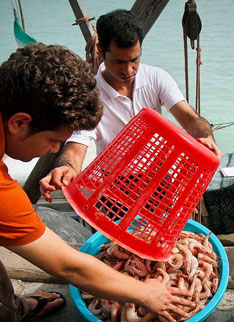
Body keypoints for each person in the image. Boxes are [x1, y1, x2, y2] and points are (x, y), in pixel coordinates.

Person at [0, 44, 194, 322]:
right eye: (54, 140)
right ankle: (9, 318)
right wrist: (146, 294)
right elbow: (67, 267)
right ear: (20, 122)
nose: (53, 149)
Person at [40, 9, 222, 202]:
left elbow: (189, 118)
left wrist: (205, 137)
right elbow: (76, 147)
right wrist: (67, 167)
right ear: (100, 51)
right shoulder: (90, 96)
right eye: (118, 62)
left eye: (134, 59)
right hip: (115, 183)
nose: (128, 70)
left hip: (161, 176)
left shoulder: (156, 78)